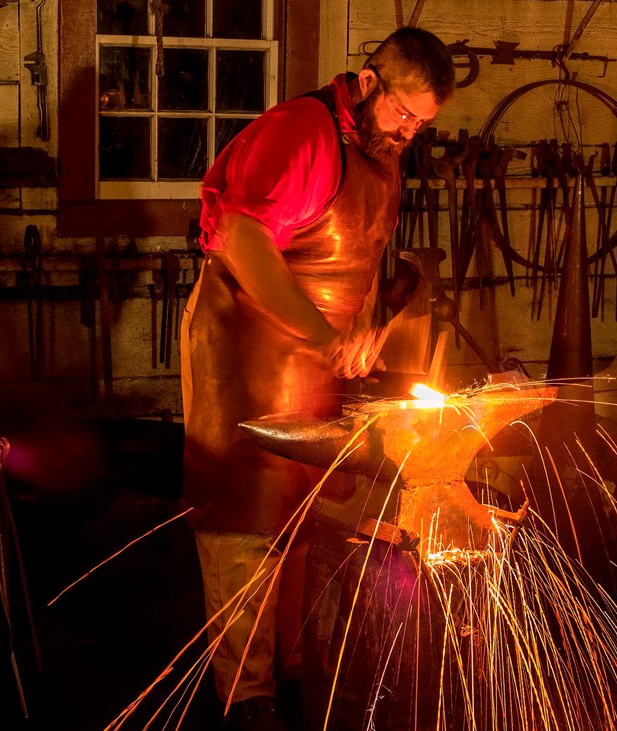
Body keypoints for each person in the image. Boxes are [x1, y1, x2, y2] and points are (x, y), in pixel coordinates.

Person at [179, 27, 456, 731]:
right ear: (367, 82)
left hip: (315, 355)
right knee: (247, 515)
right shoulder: (303, 132)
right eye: (401, 115)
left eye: (421, 125)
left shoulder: (380, 153)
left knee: (303, 514)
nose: (407, 133)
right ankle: (247, 697)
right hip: (244, 346)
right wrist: (325, 335)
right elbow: (242, 239)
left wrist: (366, 330)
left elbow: (350, 257)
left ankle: (293, 675)